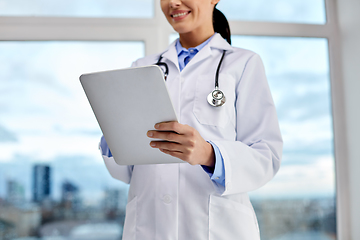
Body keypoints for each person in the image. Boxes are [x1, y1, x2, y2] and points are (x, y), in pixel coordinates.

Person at [99, 0, 283, 239]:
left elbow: (266, 155)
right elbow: (126, 172)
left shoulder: (244, 64)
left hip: (216, 228)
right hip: (149, 227)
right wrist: (115, 139)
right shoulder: (142, 67)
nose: (173, 3)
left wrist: (208, 155)